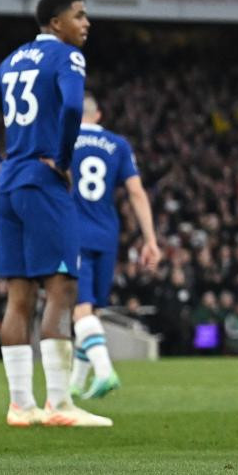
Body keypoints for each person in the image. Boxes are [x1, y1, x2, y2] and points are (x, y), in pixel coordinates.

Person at [0, 0, 110, 427]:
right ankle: (60, 405)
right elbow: (71, 105)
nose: (86, 24)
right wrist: (64, 159)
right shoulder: (67, 57)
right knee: (63, 287)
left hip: (9, 186)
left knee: (20, 296)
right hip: (45, 184)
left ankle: (20, 404)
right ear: (55, 22)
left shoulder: (15, 59)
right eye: (79, 16)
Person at [67, 93, 161, 399]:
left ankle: (105, 371)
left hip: (73, 232)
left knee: (80, 310)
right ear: (99, 115)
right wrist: (150, 240)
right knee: (90, 310)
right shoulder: (118, 144)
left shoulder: (63, 139)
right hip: (107, 234)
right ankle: (77, 385)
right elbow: (136, 192)